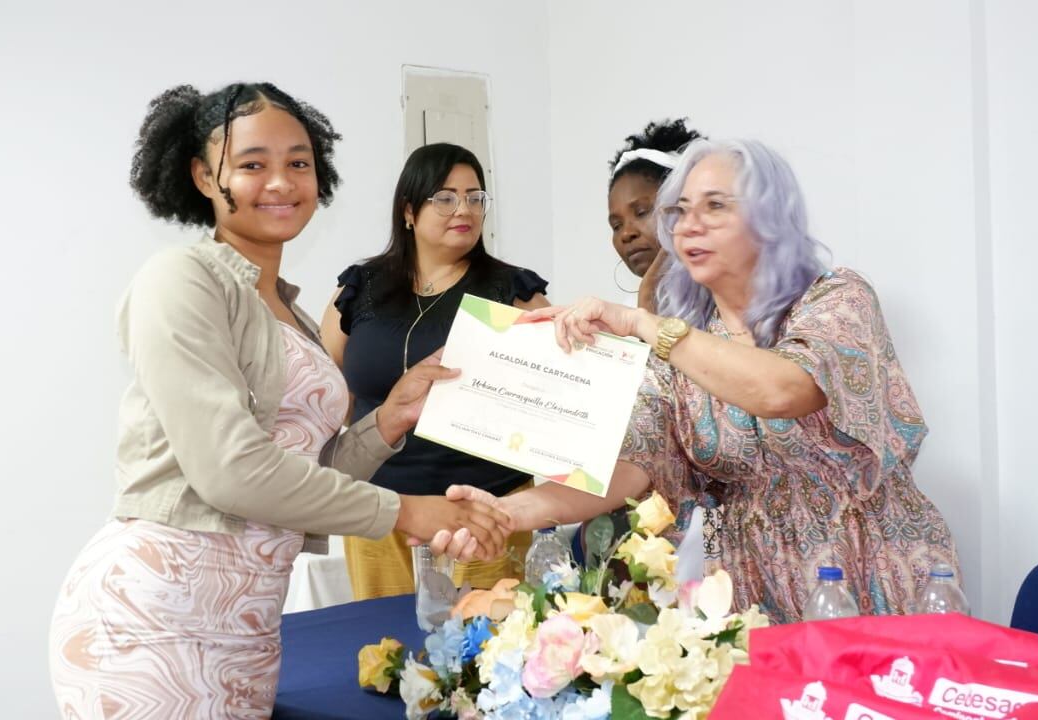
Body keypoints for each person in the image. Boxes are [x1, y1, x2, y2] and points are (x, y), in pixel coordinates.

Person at [48, 83, 507, 718]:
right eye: (252, 163)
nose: (282, 182)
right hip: (153, 620)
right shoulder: (179, 280)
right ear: (205, 176)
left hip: (250, 631)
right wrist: (407, 511)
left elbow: (301, 480)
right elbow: (232, 473)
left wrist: (389, 420)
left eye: (299, 162)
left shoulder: (288, 310)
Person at [441, 139, 961, 624]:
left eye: (715, 206)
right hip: (735, 582)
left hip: (858, 574)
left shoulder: (837, 300)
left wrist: (645, 324)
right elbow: (622, 469)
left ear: (769, 219)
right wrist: (504, 513)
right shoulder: (681, 346)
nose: (688, 226)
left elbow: (784, 388)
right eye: (680, 211)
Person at [320, 143, 549, 600]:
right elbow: (328, 391)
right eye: (444, 197)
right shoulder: (359, 289)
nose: (462, 208)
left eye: (474, 197)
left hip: (483, 508)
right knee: (384, 651)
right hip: (381, 507)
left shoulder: (513, 291)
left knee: (483, 654)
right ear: (409, 211)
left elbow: (550, 395)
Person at [608, 119, 704, 312]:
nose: (626, 234)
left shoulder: (732, 303)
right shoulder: (625, 317)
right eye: (616, 225)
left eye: (642, 212)